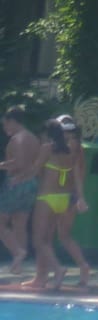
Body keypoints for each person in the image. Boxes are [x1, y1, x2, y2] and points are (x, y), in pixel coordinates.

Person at [31, 115, 90, 291]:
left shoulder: (63, 147)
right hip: (68, 196)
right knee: (61, 236)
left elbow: (77, 173)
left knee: (46, 238)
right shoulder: (74, 147)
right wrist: (80, 197)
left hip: (59, 195)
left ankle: (45, 275)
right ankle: (81, 268)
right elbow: (79, 173)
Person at [1, 107, 41, 280]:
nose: (4, 129)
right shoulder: (33, 138)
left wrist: (1, 165)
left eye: (5, 124)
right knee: (20, 224)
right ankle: (18, 264)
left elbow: (19, 163)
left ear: (12, 121)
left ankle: (17, 252)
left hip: (16, 183)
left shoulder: (18, 138)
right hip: (31, 183)